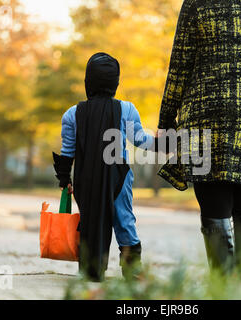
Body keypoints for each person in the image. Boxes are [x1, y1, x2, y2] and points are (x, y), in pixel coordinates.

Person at [157, 0, 241, 273]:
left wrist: (166, 120)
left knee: (214, 200)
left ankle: (224, 287)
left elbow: (180, 66)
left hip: (209, 112)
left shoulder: (197, 4)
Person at [53, 52, 163, 281]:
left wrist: (66, 181)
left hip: (86, 179)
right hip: (118, 178)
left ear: (87, 81)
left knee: (91, 220)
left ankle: (92, 271)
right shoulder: (127, 109)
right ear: (115, 83)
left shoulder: (72, 114)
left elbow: (68, 151)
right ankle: (133, 273)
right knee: (124, 220)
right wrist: (163, 144)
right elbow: (140, 139)